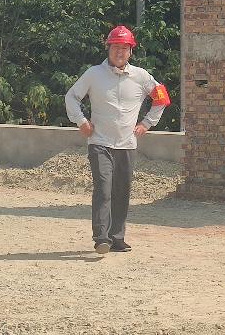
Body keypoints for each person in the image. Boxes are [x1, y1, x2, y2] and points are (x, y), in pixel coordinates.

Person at [65, 25, 168, 254]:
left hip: (127, 145)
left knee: (122, 191)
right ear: (108, 48)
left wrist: (147, 123)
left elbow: (162, 97)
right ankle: (102, 237)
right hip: (99, 142)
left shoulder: (141, 76)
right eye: (115, 47)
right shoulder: (93, 74)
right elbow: (71, 97)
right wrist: (81, 121)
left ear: (131, 51)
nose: (119, 52)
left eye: (124, 48)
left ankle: (117, 238)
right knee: (104, 188)